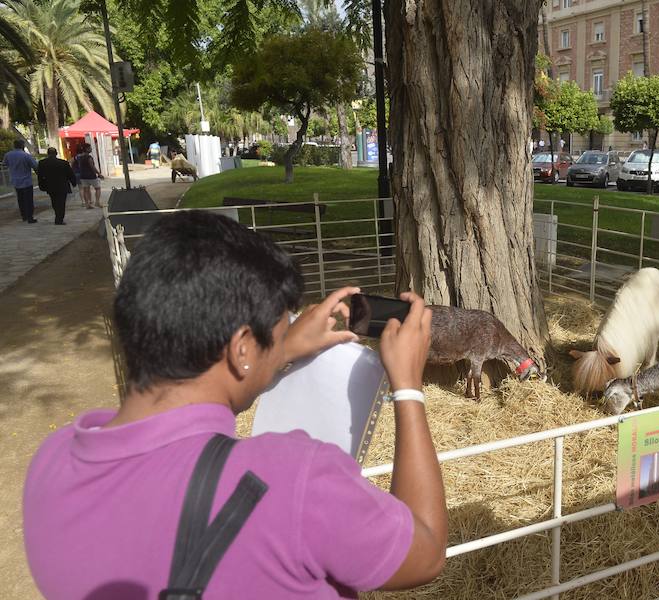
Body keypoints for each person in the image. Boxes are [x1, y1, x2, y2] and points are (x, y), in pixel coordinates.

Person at [23, 211, 447, 599]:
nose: (285, 337)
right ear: (241, 347)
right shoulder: (291, 480)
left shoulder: (53, 462)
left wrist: (276, 351)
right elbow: (425, 551)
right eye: (283, 328)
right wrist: (408, 386)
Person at [37, 147, 77, 225]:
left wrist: (41, 185)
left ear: (48, 154)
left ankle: (57, 215)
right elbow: (70, 174)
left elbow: (40, 175)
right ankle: (59, 218)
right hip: (62, 185)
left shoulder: (42, 163)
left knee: (54, 201)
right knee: (61, 202)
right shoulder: (63, 163)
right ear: (56, 153)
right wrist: (73, 182)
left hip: (50, 185)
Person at [3, 139, 39, 223]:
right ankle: (30, 217)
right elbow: (35, 166)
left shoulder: (8, 155)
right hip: (26, 181)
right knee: (28, 200)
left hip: (15, 180)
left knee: (20, 199)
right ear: (22, 145)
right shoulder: (26, 155)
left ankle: (24, 216)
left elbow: (5, 164)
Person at [75, 143, 103, 209]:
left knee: (85, 190)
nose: (91, 149)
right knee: (98, 188)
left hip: (83, 176)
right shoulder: (89, 157)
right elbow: (92, 166)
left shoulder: (79, 157)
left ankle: (87, 204)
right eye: (90, 148)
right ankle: (97, 202)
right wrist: (99, 174)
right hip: (91, 175)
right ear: (87, 149)